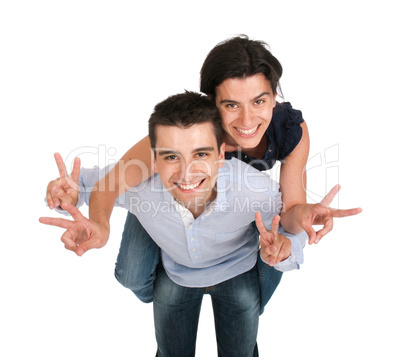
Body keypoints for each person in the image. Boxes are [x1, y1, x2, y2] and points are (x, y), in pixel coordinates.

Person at [46, 35, 361, 305]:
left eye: (259, 102)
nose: (248, 121)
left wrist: (303, 212)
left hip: (235, 206)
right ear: (212, 102)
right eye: (231, 105)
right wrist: (99, 221)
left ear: (274, 98)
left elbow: (290, 209)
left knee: (273, 255)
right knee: (131, 275)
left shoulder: (291, 130)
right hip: (174, 197)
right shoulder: (188, 129)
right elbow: (113, 182)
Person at [41, 91, 308, 356]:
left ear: (220, 155)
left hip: (236, 271)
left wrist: (285, 248)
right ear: (154, 160)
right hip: (177, 275)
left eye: (201, 154)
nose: (186, 171)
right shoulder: (140, 187)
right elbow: (87, 185)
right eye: (171, 157)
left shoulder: (253, 189)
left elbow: (289, 222)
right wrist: (68, 196)